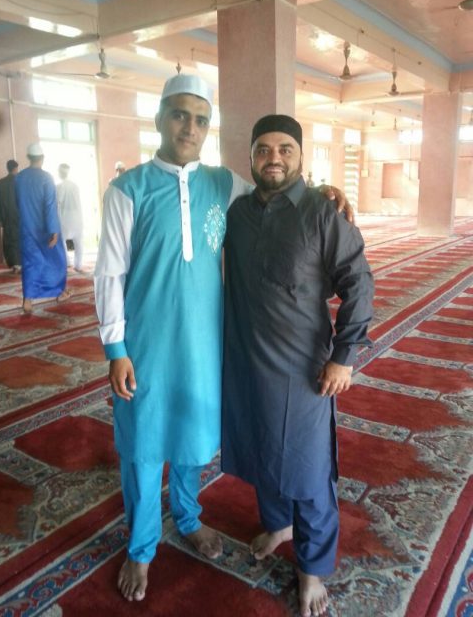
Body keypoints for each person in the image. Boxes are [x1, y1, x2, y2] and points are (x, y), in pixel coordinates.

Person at [94, 74, 352, 604]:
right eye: (179, 115)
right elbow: (108, 275)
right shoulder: (128, 189)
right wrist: (116, 349)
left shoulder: (223, 184)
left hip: (206, 345)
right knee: (143, 447)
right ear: (160, 119)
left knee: (193, 440)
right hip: (144, 347)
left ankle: (188, 518)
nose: (190, 127)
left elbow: (275, 191)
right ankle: (142, 548)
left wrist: (323, 192)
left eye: (201, 119)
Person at [221, 115, 374, 617]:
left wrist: (343, 357)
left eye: (285, 149)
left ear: (301, 156)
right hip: (246, 360)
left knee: (308, 471)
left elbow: (359, 283)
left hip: (302, 367)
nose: (274, 158)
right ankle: (279, 525)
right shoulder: (238, 212)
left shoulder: (322, 213)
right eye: (263, 149)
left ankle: (312, 568)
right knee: (262, 448)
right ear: (251, 157)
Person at [15, 143, 69, 313]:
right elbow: (50, 205)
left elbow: (18, 203)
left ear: (28, 157)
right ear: (42, 158)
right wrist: (54, 230)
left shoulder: (19, 178)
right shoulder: (46, 178)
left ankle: (28, 300)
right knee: (57, 260)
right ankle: (59, 291)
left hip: (27, 227)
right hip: (45, 229)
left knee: (30, 263)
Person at [56, 163, 84, 271]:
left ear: (60, 173)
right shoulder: (75, 186)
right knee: (79, 242)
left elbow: (58, 201)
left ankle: (67, 262)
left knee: (61, 240)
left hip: (65, 218)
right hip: (77, 216)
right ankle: (78, 265)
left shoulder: (59, 186)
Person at [0, 159, 21, 273]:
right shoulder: (20, 181)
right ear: (15, 168)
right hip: (20, 216)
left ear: (7, 168)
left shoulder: (0, 183)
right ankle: (20, 263)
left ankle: (14, 264)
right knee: (20, 238)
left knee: (9, 240)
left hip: (7, 216)